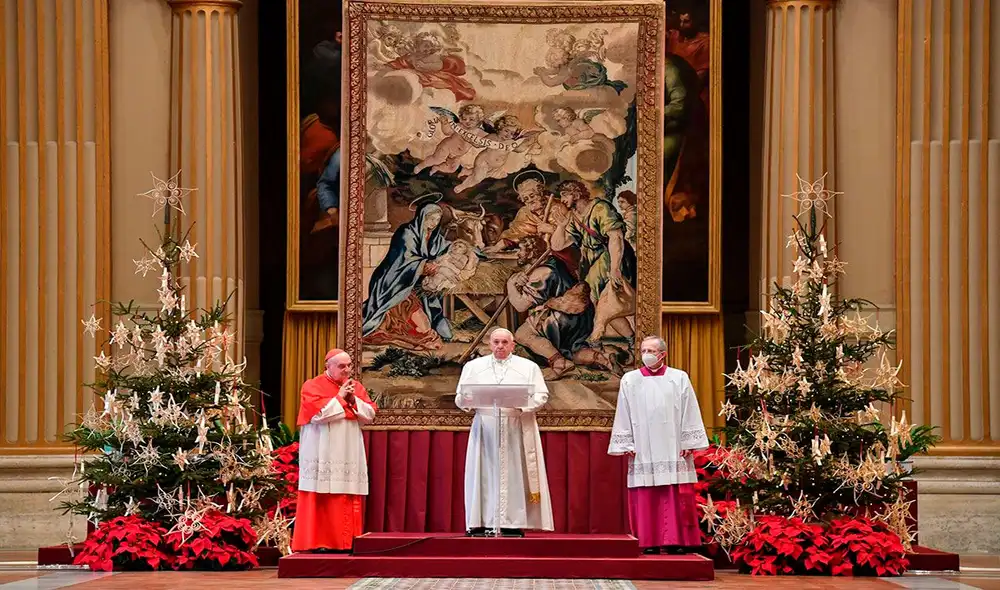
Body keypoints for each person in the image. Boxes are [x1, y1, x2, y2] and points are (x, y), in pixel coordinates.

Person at [607, 336, 708, 554]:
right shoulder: (630, 379)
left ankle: (677, 541)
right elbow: (623, 412)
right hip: (643, 445)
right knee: (646, 493)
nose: (646, 355)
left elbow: (690, 409)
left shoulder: (679, 378)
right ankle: (649, 541)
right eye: (643, 350)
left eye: (651, 350)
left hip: (673, 445)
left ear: (663, 354)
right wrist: (627, 441)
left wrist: (688, 441)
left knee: (673, 492)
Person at [455, 328, 554, 536]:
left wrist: (522, 406)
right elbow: (460, 397)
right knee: (483, 473)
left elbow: (541, 395)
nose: (500, 346)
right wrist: (468, 401)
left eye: (504, 342)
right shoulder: (473, 367)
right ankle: (481, 521)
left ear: (513, 345)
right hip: (485, 428)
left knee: (514, 473)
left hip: (515, 426)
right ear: (489, 344)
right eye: (496, 342)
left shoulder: (529, 367)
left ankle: (511, 522)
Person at [292, 348, 377, 553]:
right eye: (342, 366)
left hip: (348, 448)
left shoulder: (355, 387)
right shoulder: (312, 385)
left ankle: (346, 542)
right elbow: (318, 415)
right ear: (327, 366)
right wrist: (340, 397)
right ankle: (319, 541)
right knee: (321, 494)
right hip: (321, 449)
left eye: (349, 365)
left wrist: (353, 400)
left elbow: (370, 414)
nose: (347, 370)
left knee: (345, 493)